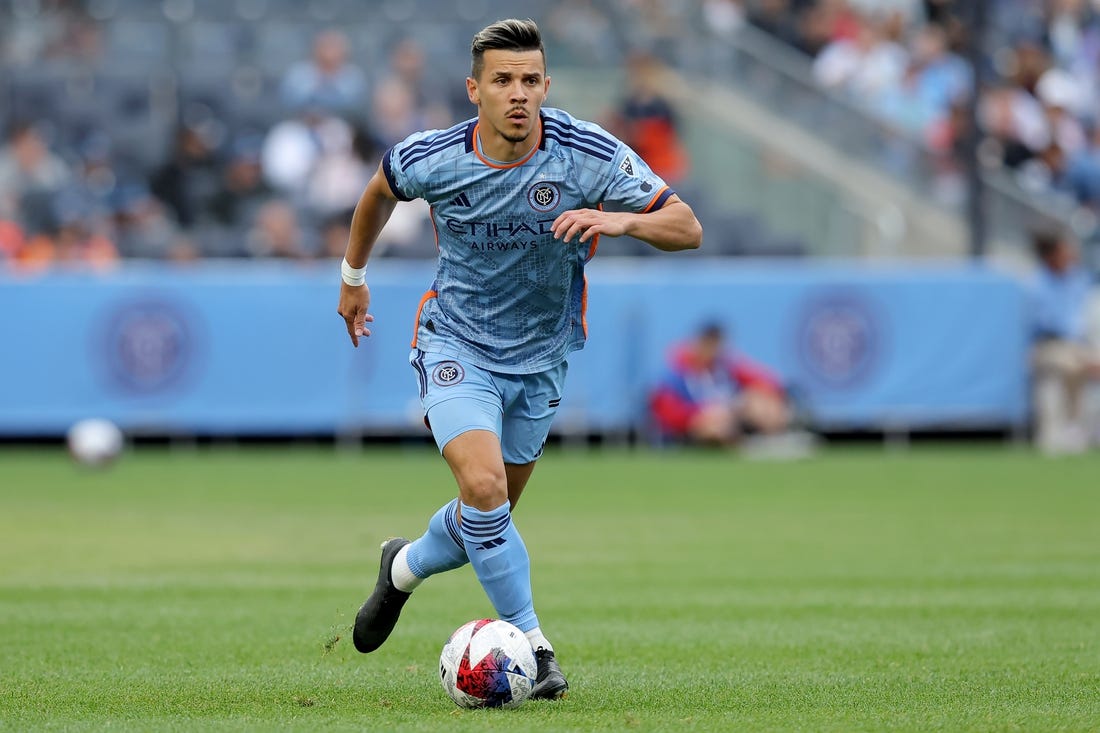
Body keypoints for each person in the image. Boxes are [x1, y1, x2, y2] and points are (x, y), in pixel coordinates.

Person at [336, 19, 702, 699]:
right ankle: (536, 644)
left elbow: (686, 225)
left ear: (546, 86)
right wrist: (353, 276)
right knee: (484, 490)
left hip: (539, 361)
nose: (518, 93)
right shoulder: (437, 156)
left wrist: (621, 220)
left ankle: (404, 567)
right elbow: (380, 190)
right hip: (455, 344)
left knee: (488, 514)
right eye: (503, 80)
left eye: (530, 80)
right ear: (474, 89)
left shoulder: (586, 153)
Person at [649, 322, 790, 446]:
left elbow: (766, 380)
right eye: (708, 344)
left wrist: (765, 398)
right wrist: (702, 413)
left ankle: (774, 441)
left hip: (730, 416)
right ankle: (740, 445)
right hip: (694, 425)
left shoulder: (724, 367)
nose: (711, 351)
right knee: (715, 426)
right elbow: (668, 412)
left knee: (761, 400)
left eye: (716, 345)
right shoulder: (675, 373)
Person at [1029, 228, 1100, 454]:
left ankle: (1081, 432)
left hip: (1079, 346)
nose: (1069, 254)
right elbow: (1048, 328)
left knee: (1085, 364)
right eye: (1063, 251)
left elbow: (1084, 319)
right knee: (1067, 364)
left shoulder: (1078, 278)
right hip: (1049, 346)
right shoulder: (1037, 284)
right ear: (1050, 255)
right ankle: (1055, 436)